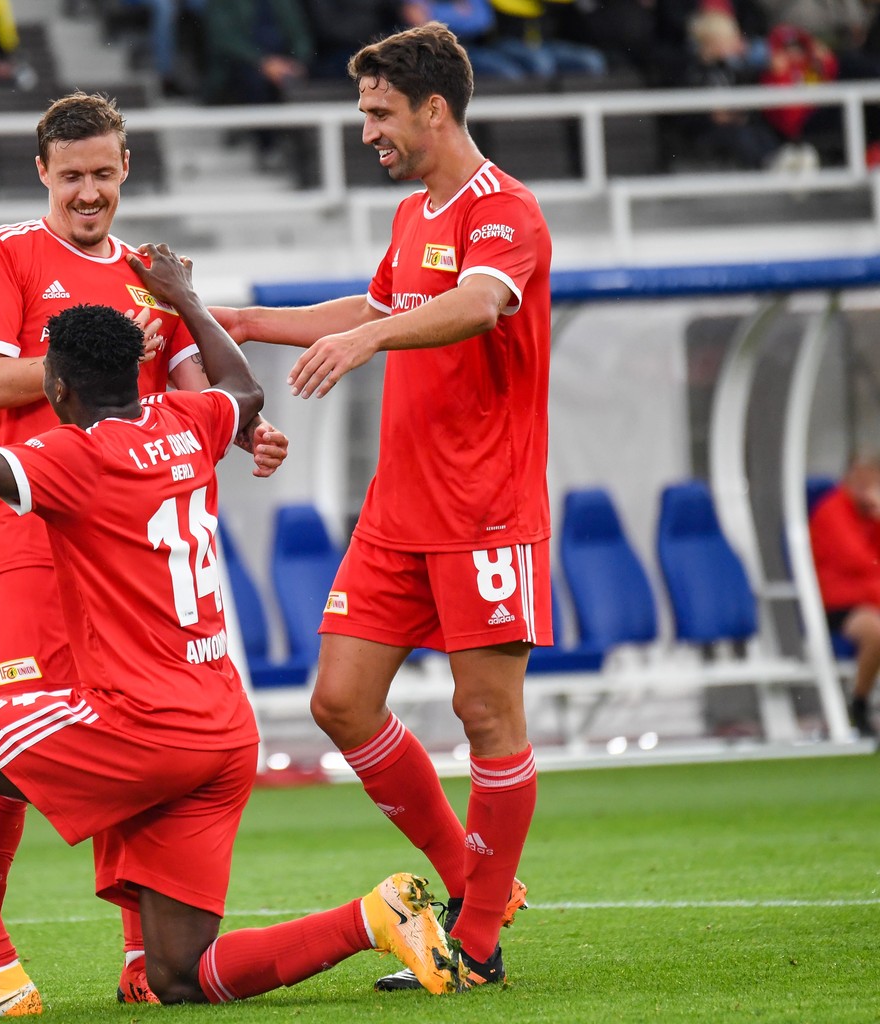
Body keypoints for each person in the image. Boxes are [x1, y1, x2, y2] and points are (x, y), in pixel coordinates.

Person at [0, 252, 468, 1021]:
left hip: (140, 724)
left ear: (57, 389)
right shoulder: (191, 421)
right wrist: (187, 300)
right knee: (181, 976)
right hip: (221, 731)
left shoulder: (76, 456)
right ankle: (375, 918)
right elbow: (244, 389)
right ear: (139, 376)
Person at [209, 23, 548, 990]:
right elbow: (372, 307)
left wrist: (372, 342)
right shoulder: (414, 219)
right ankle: (475, 879)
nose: (367, 132)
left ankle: (475, 942)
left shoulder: (506, 212)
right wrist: (248, 324)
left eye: (378, 113)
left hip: (486, 512)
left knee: (486, 716)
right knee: (340, 702)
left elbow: (481, 304)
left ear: (434, 110)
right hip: (397, 514)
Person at [0, 89, 289, 1002]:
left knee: (132, 732)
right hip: (28, 530)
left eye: (103, 173)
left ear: (126, 167)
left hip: (126, 555)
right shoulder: (5, 253)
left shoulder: (150, 271)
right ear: (42, 175)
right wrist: (98, 362)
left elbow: (198, 388)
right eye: (71, 177)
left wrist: (250, 434)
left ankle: (143, 952)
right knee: (11, 740)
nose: (88, 192)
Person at [809, 457, 880, 738]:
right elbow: (859, 561)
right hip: (838, 605)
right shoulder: (832, 512)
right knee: (876, 631)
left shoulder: (868, 517)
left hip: (870, 599)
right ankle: (859, 703)